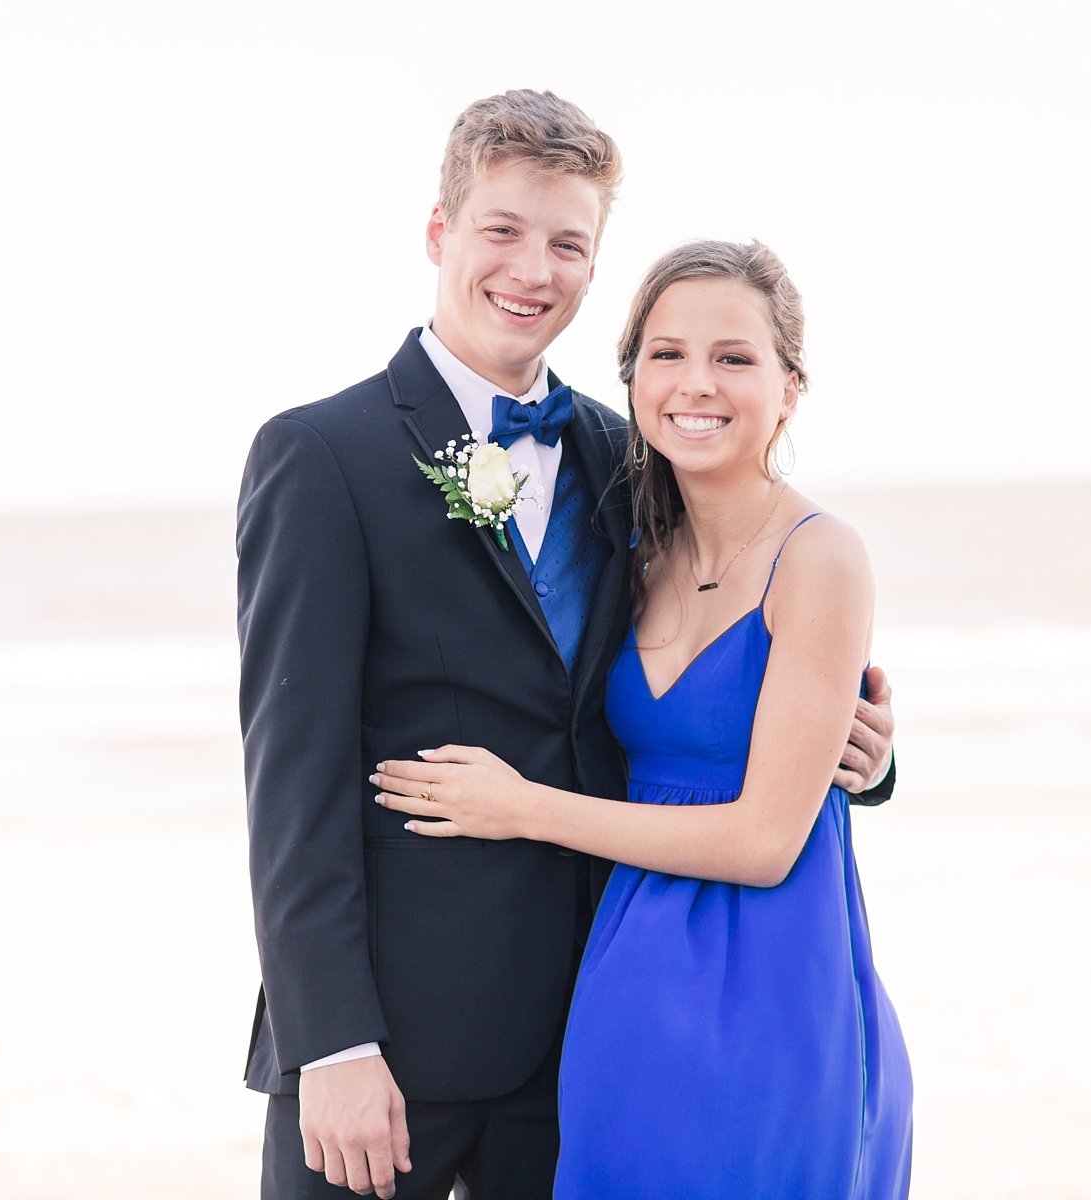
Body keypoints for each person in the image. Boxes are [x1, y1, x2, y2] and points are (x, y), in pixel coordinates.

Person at [236, 91, 897, 1200]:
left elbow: (708, 656)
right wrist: (332, 1043)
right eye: (502, 231)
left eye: (567, 244)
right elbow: (289, 778)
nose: (531, 269)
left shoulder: (622, 452)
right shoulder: (322, 456)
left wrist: (861, 748)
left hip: (592, 1028)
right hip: (390, 1044)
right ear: (440, 233)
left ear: (595, 268)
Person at [373, 240, 912, 1197]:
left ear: (790, 386)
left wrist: (519, 806)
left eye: (734, 358)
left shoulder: (822, 557)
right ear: (631, 379)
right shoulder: (628, 544)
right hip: (624, 985)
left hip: (776, 988)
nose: (696, 383)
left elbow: (762, 842)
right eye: (667, 354)